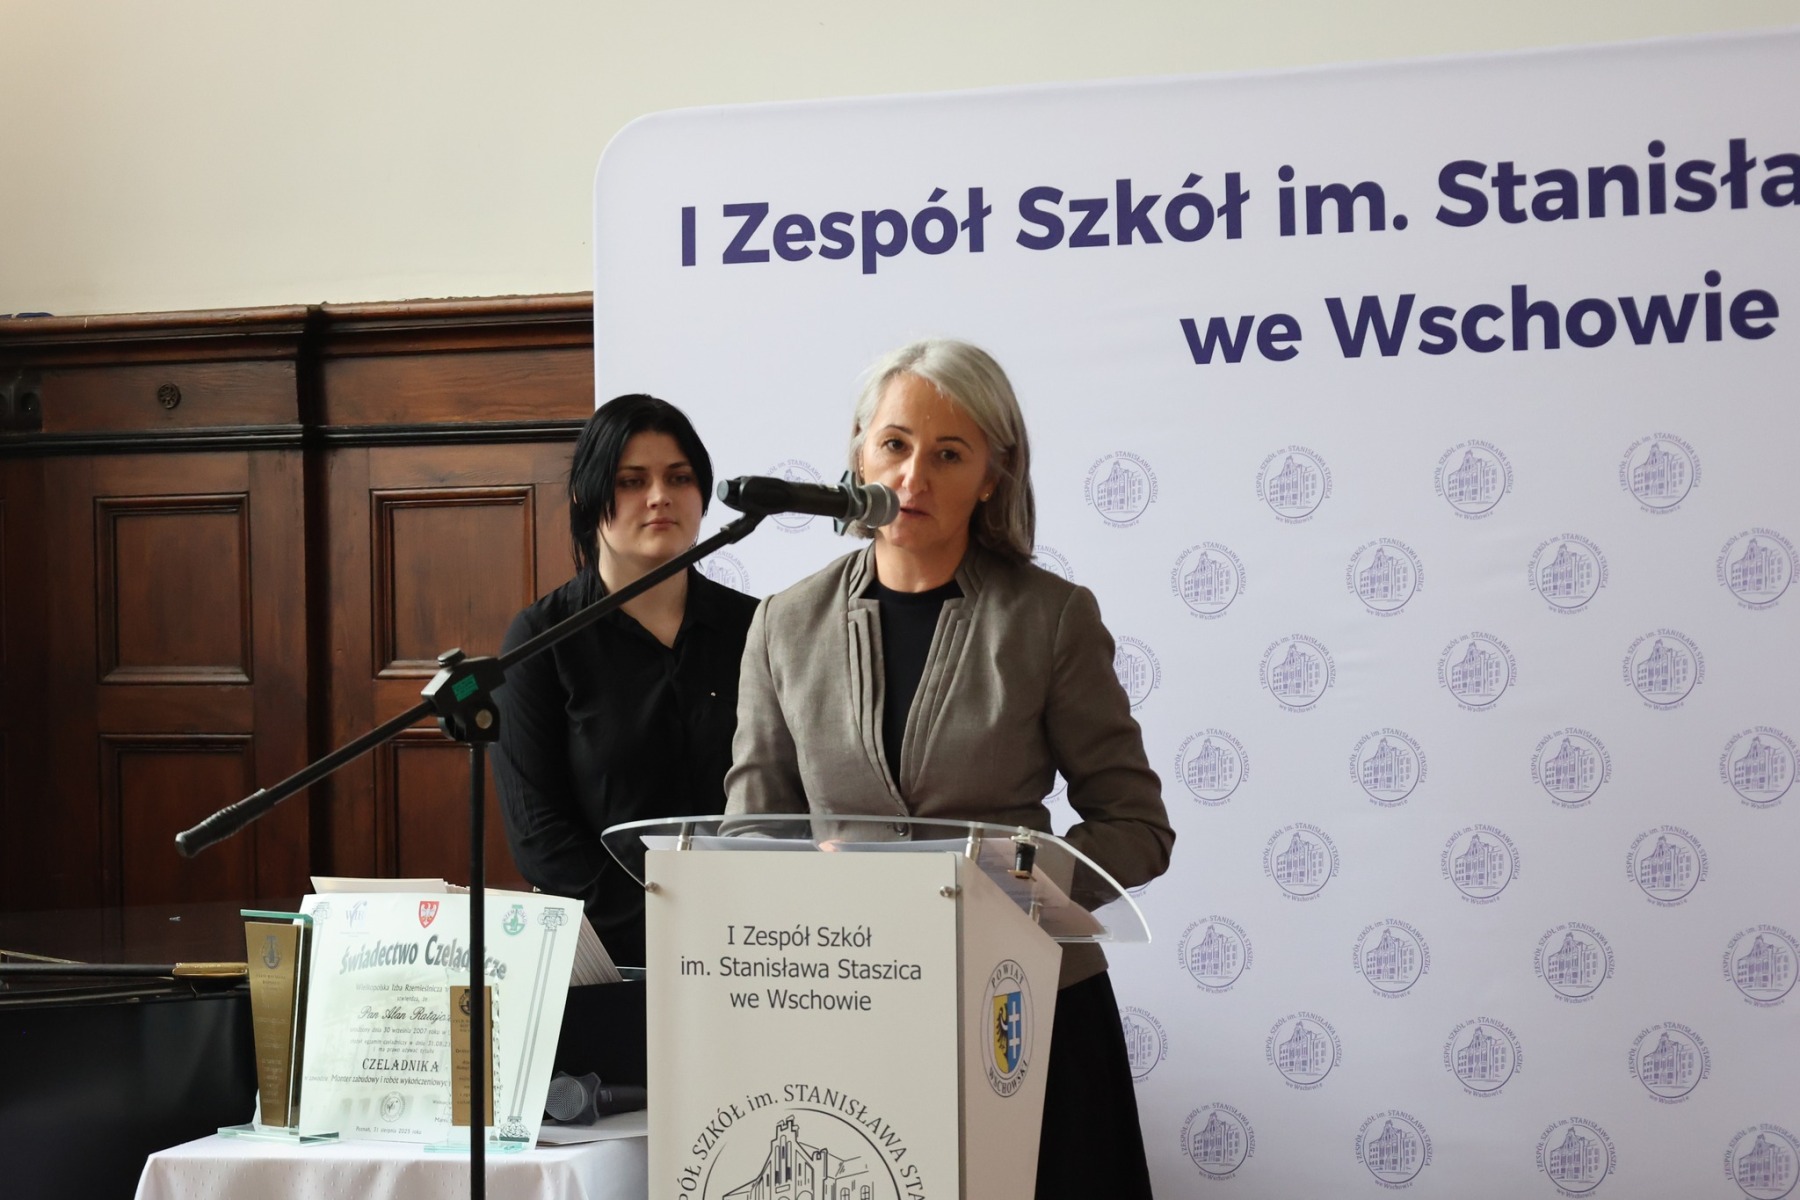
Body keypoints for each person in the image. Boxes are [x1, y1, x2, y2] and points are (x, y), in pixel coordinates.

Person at [725, 339, 1174, 1198]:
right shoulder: (784, 623)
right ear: (859, 452)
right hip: (847, 1008)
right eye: (894, 444)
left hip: (1026, 1011)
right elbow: (750, 833)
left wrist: (1003, 886)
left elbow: (1138, 829)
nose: (912, 477)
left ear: (993, 478)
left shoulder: (1051, 619)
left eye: (949, 454)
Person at [493, 393, 758, 970]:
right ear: (586, 498)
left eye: (679, 478)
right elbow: (539, 834)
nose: (660, 496)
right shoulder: (540, 639)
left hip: (754, 945)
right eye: (631, 481)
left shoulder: (758, 627)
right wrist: (666, 926)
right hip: (612, 958)